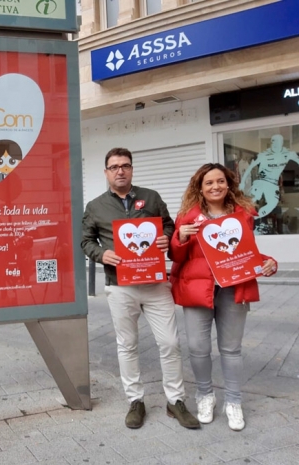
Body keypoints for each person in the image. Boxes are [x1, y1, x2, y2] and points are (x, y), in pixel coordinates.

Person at [81, 147, 199, 430]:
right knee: (127, 345)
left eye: (125, 165)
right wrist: (101, 254)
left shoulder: (151, 197)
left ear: (132, 169)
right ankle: (135, 400)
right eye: (114, 167)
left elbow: (169, 226)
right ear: (106, 172)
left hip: (155, 283)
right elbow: (85, 241)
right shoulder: (95, 206)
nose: (120, 171)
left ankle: (176, 401)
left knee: (170, 343)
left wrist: (166, 238)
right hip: (120, 285)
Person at [169, 163, 277, 431]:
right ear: (200, 187)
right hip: (197, 289)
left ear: (228, 184)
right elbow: (177, 256)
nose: (215, 186)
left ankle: (233, 401)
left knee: (231, 349)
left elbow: (245, 252)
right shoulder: (187, 216)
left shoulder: (242, 215)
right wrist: (180, 237)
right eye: (209, 182)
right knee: (198, 347)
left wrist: (268, 262)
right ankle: (205, 396)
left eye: (220, 181)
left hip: (233, 288)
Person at [238, 134, 299, 219]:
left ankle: (255, 217)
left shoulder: (288, 154)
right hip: (261, 181)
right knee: (254, 199)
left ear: (281, 143)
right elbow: (250, 167)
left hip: (273, 183)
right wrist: (242, 182)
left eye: (276, 143)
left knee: (272, 203)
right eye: (272, 143)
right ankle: (241, 216)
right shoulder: (264, 155)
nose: (274, 145)